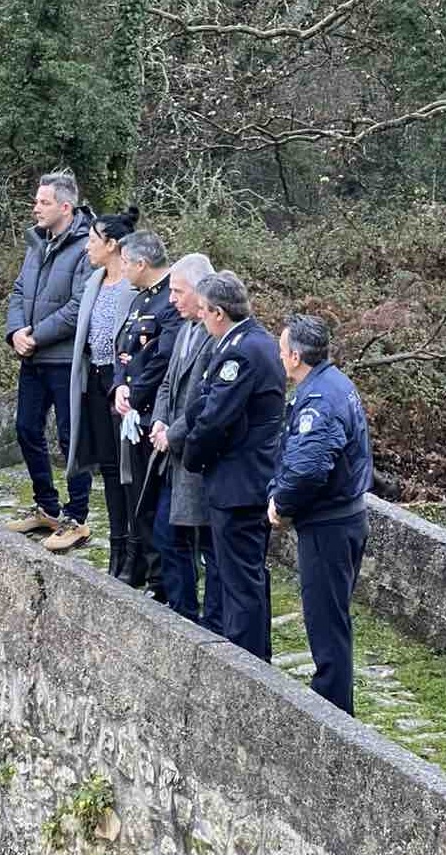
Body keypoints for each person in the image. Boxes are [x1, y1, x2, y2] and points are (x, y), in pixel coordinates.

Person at [269, 314, 373, 714]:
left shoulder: (320, 399)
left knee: (325, 620)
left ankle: (333, 714)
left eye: (282, 350)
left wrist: (282, 504)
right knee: (332, 616)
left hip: (329, 523)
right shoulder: (335, 383)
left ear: (295, 357)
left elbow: (309, 467)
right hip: (344, 517)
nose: (279, 356)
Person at [182, 271, 285, 661]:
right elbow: (202, 402)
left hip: (240, 481)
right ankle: (255, 657)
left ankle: (248, 664)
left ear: (218, 313)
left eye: (203, 310)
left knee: (240, 581)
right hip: (246, 477)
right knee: (245, 576)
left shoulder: (241, 351)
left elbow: (215, 418)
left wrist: (192, 457)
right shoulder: (252, 341)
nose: (200, 317)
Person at [4, 171, 94, 544]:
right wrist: (15, 333)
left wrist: (35, 336)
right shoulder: (37, 242)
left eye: (43, 202)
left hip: (65, 359)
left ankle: (77, 517)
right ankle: (47, 507)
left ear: (65, 207)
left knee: (71, 438)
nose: (36, 208)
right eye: (36, 201)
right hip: (33, 357)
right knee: (26, 429)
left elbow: (79, 306)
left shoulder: (87, 246)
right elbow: (18, 290)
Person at [150, 253, 222, 630]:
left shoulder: (215, 336)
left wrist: (172, 433)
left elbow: (203, 400)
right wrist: (160, 420)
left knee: (206, 543)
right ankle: (183, 613)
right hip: (173, 453)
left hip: (196, 455)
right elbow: (168, 382)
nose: (172, 299)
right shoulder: (184, 329)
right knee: (167, 534)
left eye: (178, 291)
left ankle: (210, 624)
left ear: (199, 291)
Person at [65, 208, 140, 565]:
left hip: (120, 380)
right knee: (109, 466)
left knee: (127, 468)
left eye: (93, 240)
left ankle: (135, 548)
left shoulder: (133, 285)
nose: (87, 247)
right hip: (95, 379)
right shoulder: (95, 281)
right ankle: (117, 544)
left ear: (112, 244)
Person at [110, 230, 179, 597]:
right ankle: (150, 572)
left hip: (153, 415)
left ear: (141, 263)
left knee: (153, 500)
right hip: (131, 412)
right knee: (136, 495)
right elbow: (124, 351)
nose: (121, 269)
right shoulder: (140, 299)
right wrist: (119, 386)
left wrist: (135, 393)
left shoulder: (171, 300)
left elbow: (161, 360)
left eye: (125, 262)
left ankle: (161, 579)